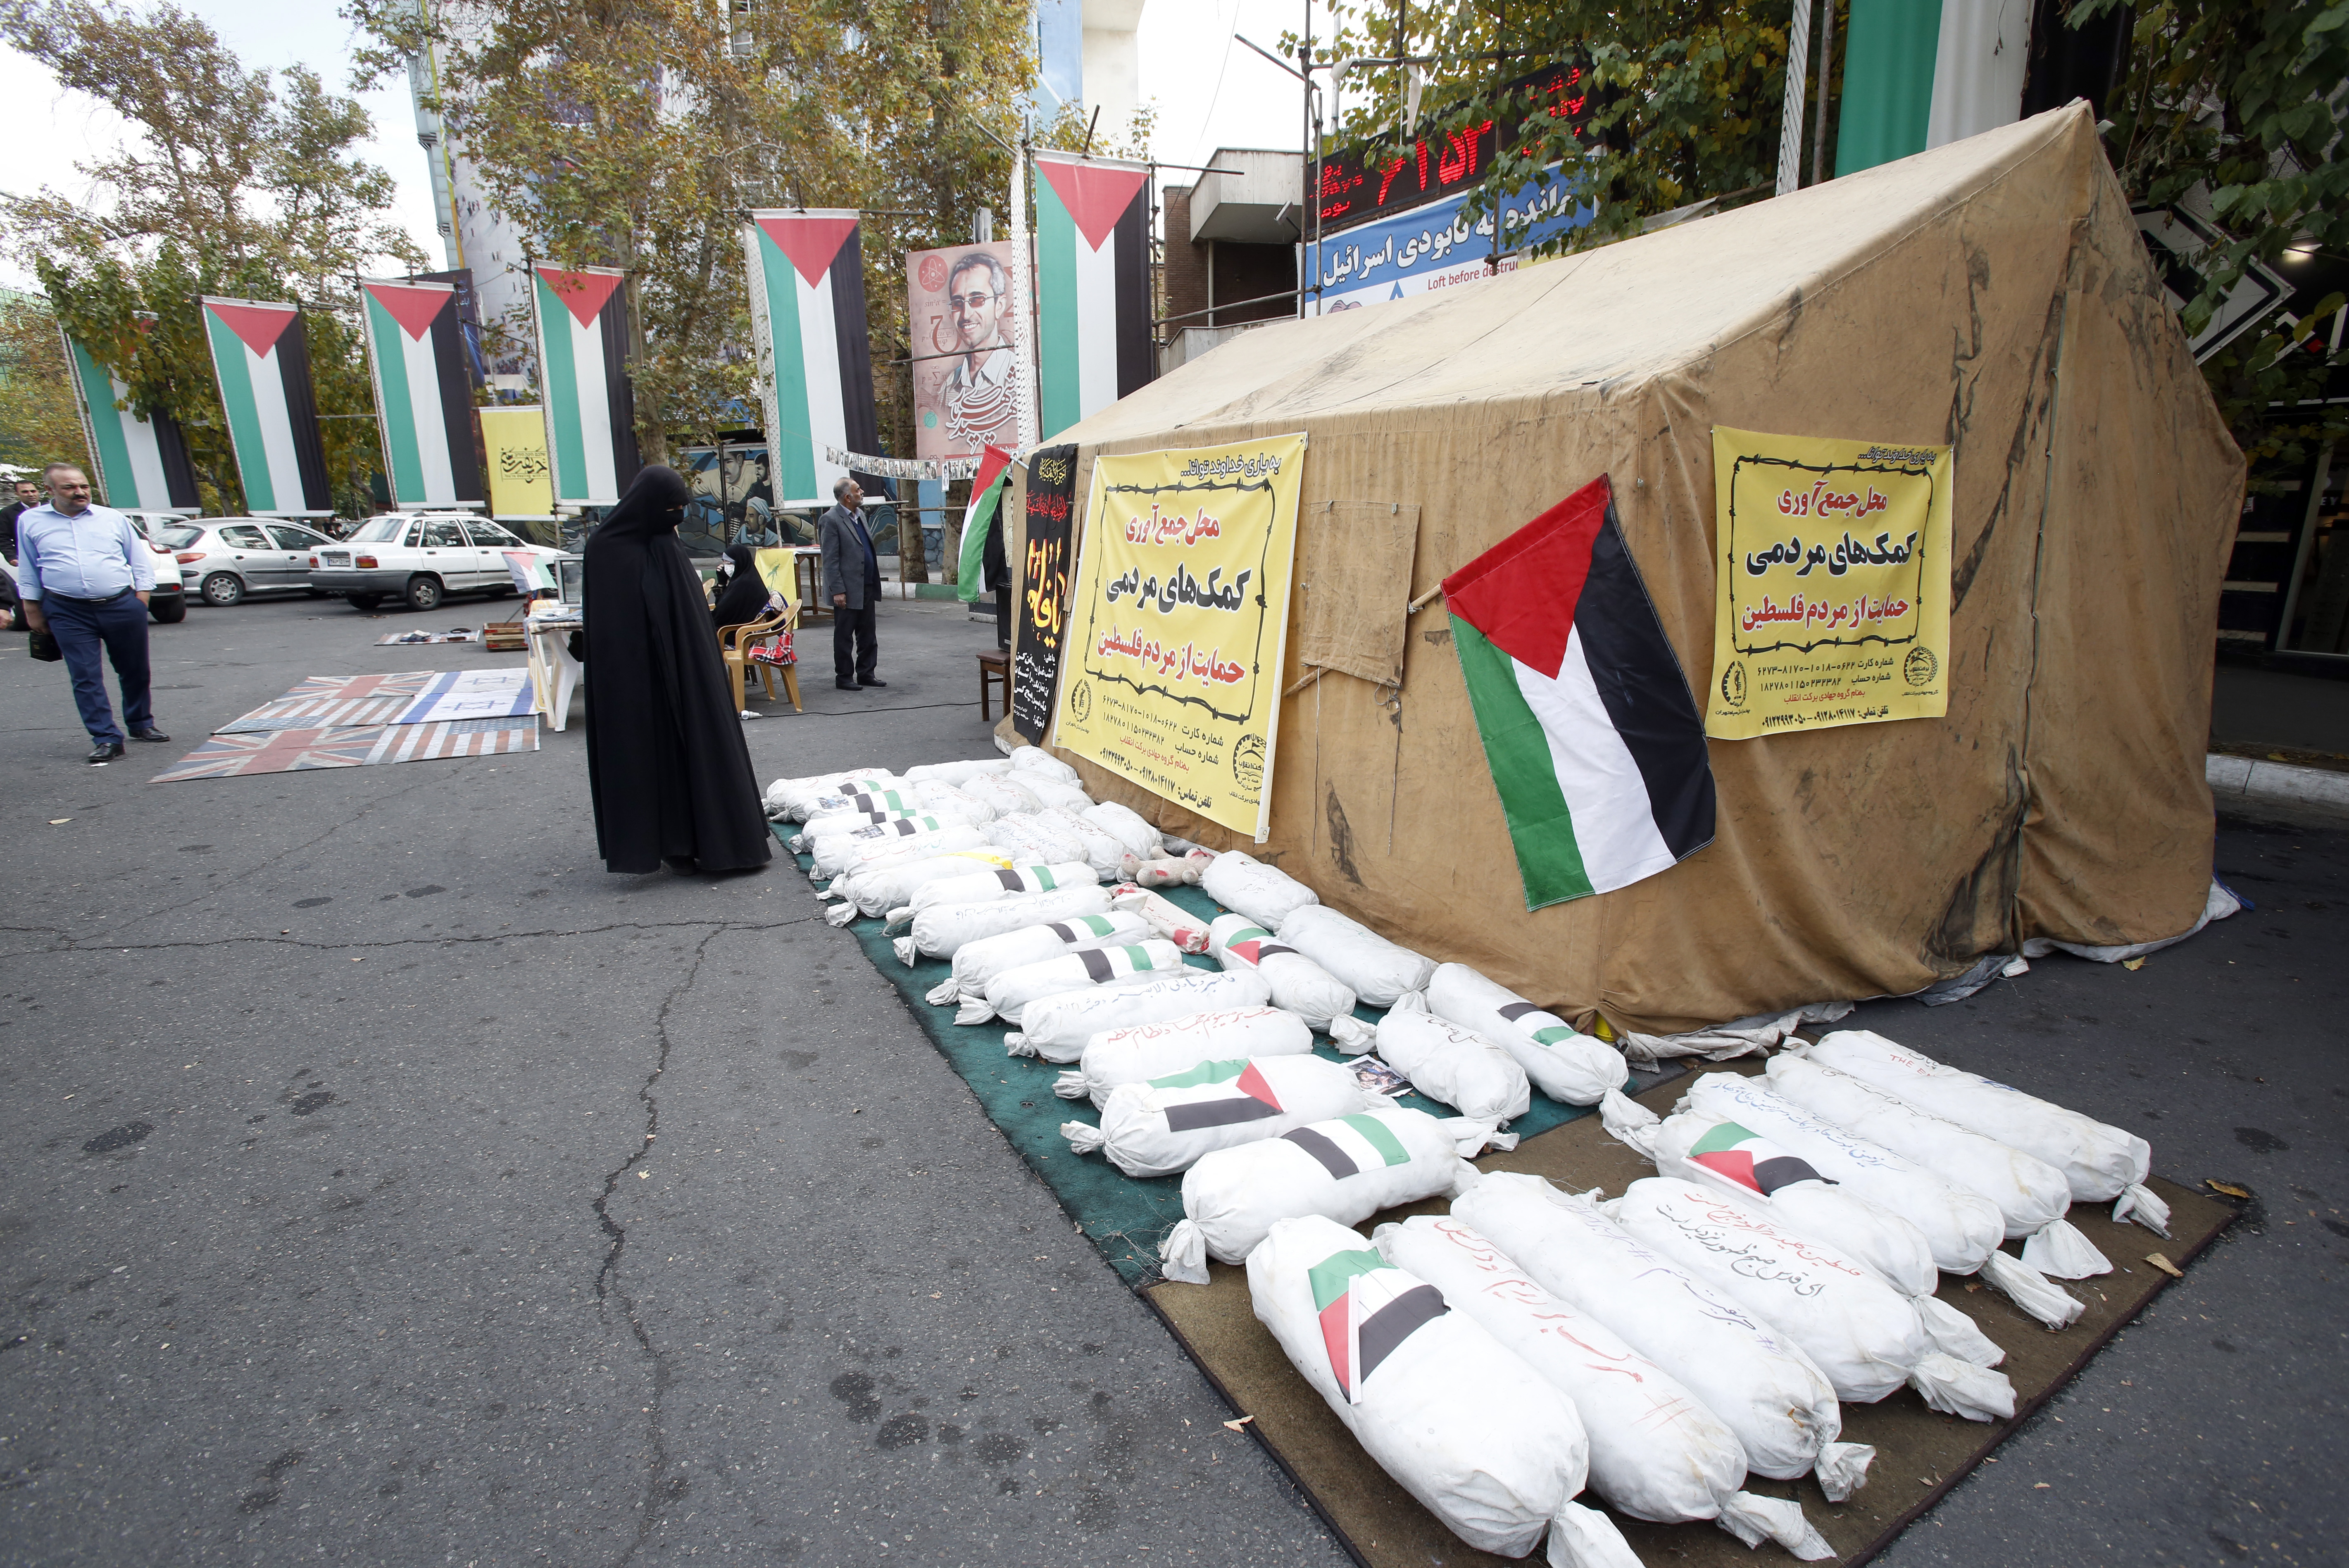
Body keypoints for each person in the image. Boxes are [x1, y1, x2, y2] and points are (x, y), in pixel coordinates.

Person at [579, 465, 772, 876]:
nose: (677, 516)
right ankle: (661, 843)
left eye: (682, 507)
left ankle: (706, 841)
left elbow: (688, 623)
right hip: (634, 682)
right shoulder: (606, 550)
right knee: (646, 760)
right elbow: (611, 627)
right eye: (670, 507)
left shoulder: (666, 545)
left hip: (683, 676)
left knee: (697, 752)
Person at [14, 462, 168, 764]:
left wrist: (142, 599)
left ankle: (141, 723)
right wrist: (32, 608)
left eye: (84, 486)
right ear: (50, 490)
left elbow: (138, 559)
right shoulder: (30, 521)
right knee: (85, 675)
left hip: (121, 604)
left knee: (135, 669)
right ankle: (106, 738)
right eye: (70, 488)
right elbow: (30, 566)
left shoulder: (111, 518)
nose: (80, 492)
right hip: (67, 609)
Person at [940, 251, 1019, 451]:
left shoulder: (1026, 380)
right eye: (958, 304)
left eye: (977, 300)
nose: (966, 314)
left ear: (999, 306)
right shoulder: (947, 389)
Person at [818, 475, 885, 691]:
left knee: (868, 634)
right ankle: (845, 677)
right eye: (858, 490)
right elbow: (830, 559)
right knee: (845, 635)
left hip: (866, 585)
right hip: (846, 590)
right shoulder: (831, 520)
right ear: (848, 497)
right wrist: (838, 590)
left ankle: (867, 673)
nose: (862, 492)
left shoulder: (861, 516)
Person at [709, 541, 773, 630]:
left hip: (734, 632)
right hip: (735, 626)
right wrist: (722, 583)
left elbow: (720, 612)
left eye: (729, 564)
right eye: (725, 563)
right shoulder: (742, 579)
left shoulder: (744, 585)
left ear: (740, 563)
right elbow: (720, 605)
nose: (726, 567)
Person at [0, 476, 41, 564]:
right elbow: (3, 537)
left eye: (33, 491)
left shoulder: (52, 509)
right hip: (27, 559)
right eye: (25, 492)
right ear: (17, 494)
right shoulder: (8, 513)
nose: (31, 495)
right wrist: (11, 556)